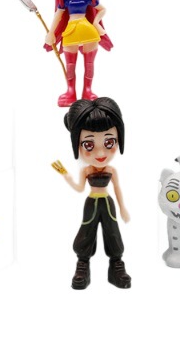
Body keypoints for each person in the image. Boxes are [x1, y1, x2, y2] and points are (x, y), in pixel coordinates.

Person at [57, 97, 131, 290]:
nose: (100, 153)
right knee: (86, 231)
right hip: (90, 203)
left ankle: (116, 264)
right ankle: (83, 264)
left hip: (108, 203)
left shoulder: (112, 170)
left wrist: (123, 208)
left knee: (112, 231)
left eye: (109, 142)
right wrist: (66, 177)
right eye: (89, 145)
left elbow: (117, 188)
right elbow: (80, 188)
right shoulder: (86, 170)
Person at [44, 0, 112, 106]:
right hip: (70, 32)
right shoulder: (65, 1)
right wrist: (51, 33)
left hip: (88, 31)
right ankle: (70, 91)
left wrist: (96, 23)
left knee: (89, 62)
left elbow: (102, 9)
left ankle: (87, 90)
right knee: (70, 64)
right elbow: (58, 16)